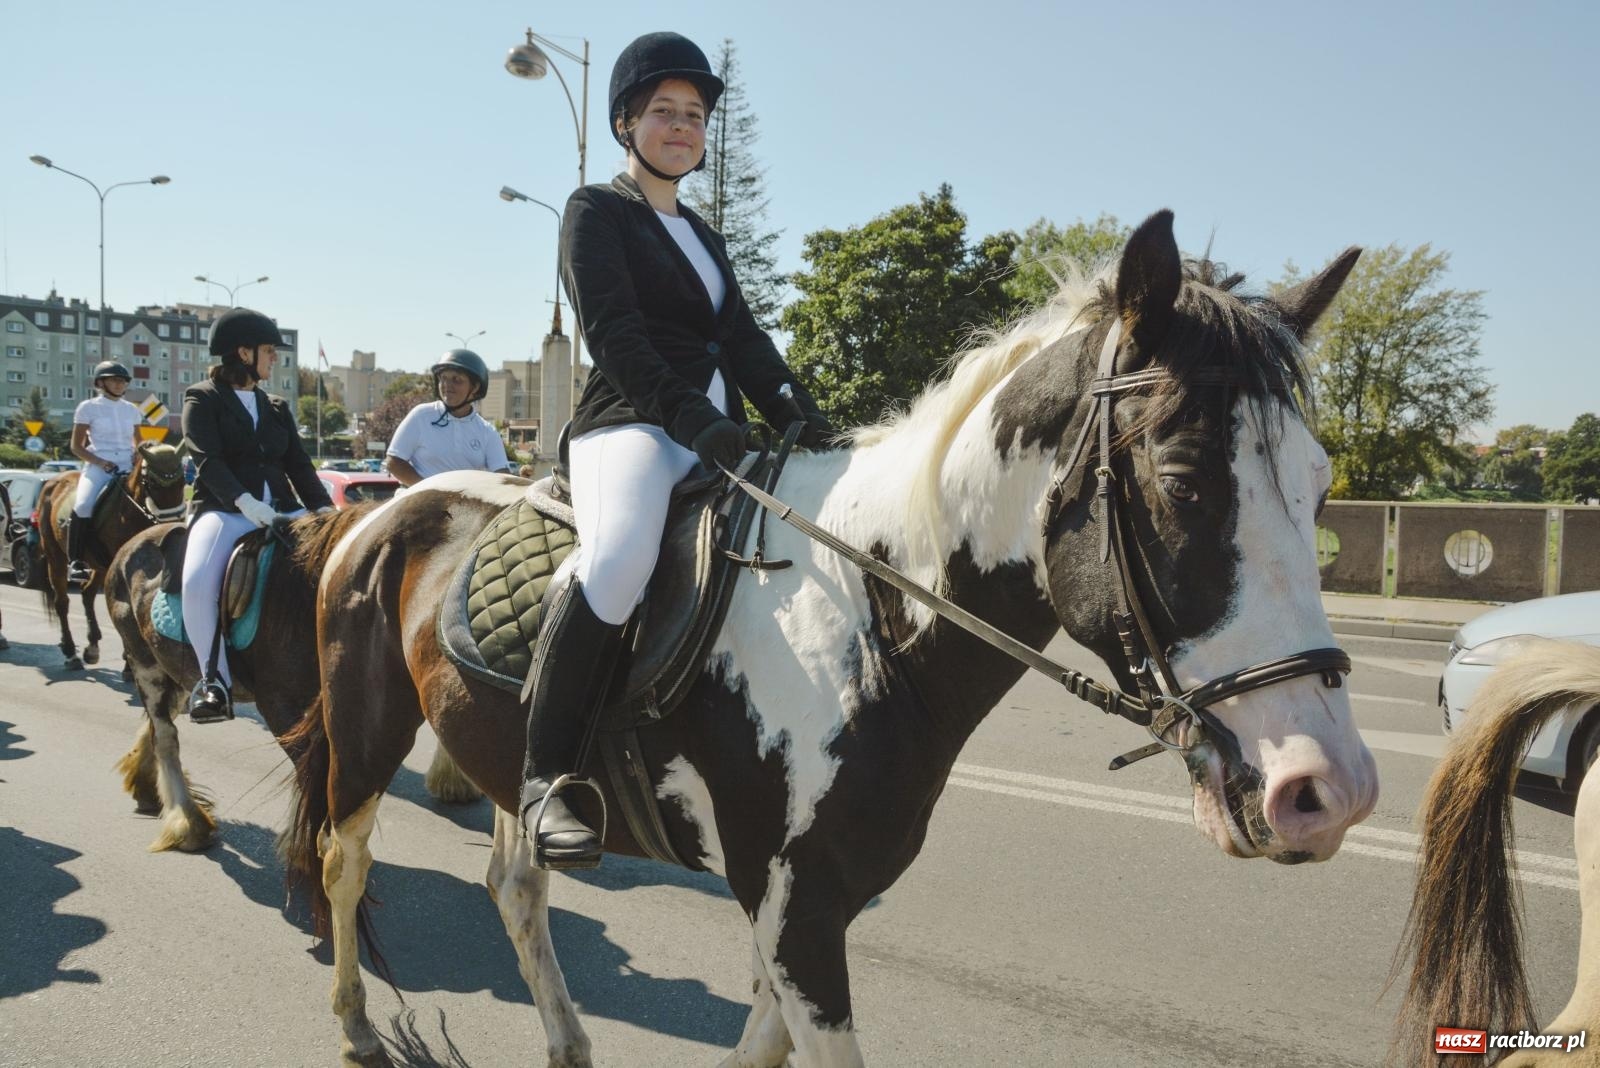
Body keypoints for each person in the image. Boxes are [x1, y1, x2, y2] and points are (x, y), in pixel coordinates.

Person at [517, 30, 834, 870]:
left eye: (694, 115)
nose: (682, 127)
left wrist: (810, 417)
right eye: (665, 111)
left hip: (713, 432)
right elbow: (614, 334)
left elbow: (746, 340)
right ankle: (547, 778)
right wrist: (690, 419)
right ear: (627, 122)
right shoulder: (595, 211)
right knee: (618, 559)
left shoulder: (702, 232)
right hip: (632, 426)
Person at [180, 307, 333, 723]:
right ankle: (214, 681)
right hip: (226, 513)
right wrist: (247, 504)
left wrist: (325, 511)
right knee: (196, 583)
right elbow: (208, 462)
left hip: (283, 510)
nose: (275, 359)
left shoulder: (277, 406)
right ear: (243, 353)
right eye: (269, 351)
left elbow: (299, 466)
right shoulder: (201, 399)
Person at [384, 349, 513, 486]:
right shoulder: (421, 416)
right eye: (443, 379)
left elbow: (502, 475)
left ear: (475, 387)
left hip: (466, 505)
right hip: (419, 501)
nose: (447, 385)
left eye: (456, 380)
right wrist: (429, 492)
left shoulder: (488, 431)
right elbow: (394, 461)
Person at [66, 361, 142, 581]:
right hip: (100, 465)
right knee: (83, 505)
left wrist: (140, 453)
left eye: (123, 381)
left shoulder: (131, 410)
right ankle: (76, 561)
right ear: (101, 382)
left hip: (127, 465)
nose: (119, 384)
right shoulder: (88, 407)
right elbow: (76, 447)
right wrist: (100, 462)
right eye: (114, 380)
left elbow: (139, 443)